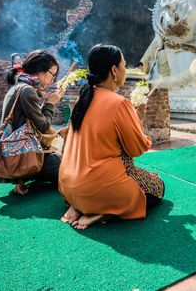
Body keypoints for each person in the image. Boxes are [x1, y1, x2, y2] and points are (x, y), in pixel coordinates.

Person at [59, 44, 165, 230]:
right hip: (99, 188)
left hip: (68, 186)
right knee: (159, 186)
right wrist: (138, 122)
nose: (125, 70)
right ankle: (104, 211)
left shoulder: (81, 100)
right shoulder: (120, 103)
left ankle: (78, 206)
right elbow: (137, 148)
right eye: (124, 65)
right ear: (114, 70)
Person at [0, 50, 64, 194]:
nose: (52, 80)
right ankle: (34, 173)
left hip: (16, 157)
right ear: (41, 71)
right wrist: (50, 103)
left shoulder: (17, 86)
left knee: (61, 159)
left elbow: (21, 125)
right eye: (52, 75)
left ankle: (28, 176)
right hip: (29, 158)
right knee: (73, 170)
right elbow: (44, 127)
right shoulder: (28, 90)